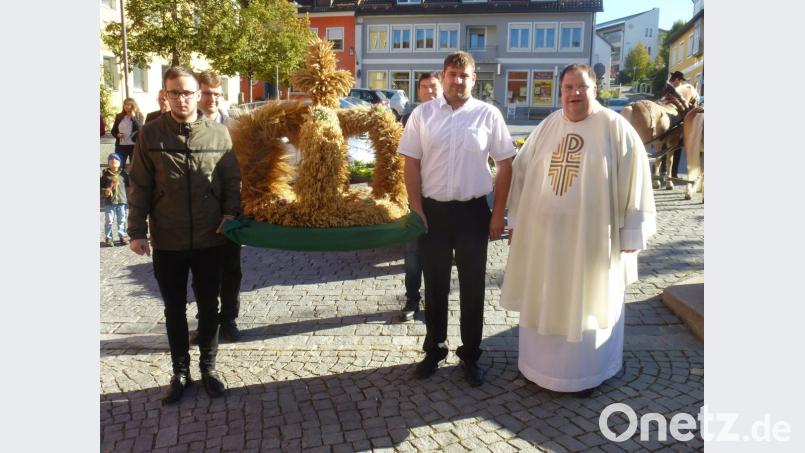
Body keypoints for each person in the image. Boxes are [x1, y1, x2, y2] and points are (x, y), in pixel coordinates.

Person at [501, 64, 656, 397]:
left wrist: (631, 234)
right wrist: (515, 221)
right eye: (568, 87)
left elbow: (636, 180)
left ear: (595, 89)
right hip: (545, 241)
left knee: (587, 300)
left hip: (592, 243)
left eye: (581, 87)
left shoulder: (615, 129)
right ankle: (540, 368)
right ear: (560, 91)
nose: (574, 94)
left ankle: (587, 373)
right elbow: (522, 172)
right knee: (545, 297)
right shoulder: (546, 127)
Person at [398, 51, 515, 387]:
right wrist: (415, 207)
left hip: (472, 213)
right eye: (452, 74)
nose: (457, 80)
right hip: (432, 213)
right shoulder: (423, 114)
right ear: (443, 76)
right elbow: (411, 163)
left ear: (474, 79)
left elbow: (506, 164)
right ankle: (434, 348)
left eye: (464, 75)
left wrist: (499, 211)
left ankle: (471, 354)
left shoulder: (488, 115)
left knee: (473, 287)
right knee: (433, 284)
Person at [127, 66, 242, 404]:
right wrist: (136, 231)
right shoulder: (150, 135)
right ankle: (180, 372)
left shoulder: (219, 135)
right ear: (165, 95)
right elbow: (140, 186)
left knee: (210, 306)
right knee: (174, 309)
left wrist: (230, 215)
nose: (181, 99)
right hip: (168, 238)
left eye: (187, 93)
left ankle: (209, 368)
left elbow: (232, 181)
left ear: (198, 95)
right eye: (174, 92)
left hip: (211, 238)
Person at [189, 69, 242, 342]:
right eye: (207, 94)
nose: (212, 99)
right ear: (199, 94)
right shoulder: (186, 125)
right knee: (202, 274)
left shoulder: (234, 126)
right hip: (199, 212)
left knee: (231, 271)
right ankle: (206, 322)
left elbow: (241, 170)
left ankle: (229, 320)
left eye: (217, 94)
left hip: (230, 210)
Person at [399, 71, 442, 322]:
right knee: (413, 254)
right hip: (415, 195)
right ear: (418, 91)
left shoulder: (451, 117)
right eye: (424, 87)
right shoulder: (409, 118)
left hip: (442, 198)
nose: (429, 91)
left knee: (440, 256)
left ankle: (437, 300)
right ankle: (412, 299)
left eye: (433, 86)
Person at [100, 153, 129, 247]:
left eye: (116, 160)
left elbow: (130, 186)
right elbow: (100, 187)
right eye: (111, 160)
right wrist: (105, 191)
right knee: (109, 220)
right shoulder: (105, 175)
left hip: (122, 201)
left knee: (122, 220)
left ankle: (122, 235)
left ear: (120, 163)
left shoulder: (124, 174)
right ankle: (108, 238)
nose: (113, 161)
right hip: (110, 202)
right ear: (108, 163)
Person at [110, 98, 143, 170]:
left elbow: (140, 129)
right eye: (125, 104)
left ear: (133, 105)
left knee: (135, 168)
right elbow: (113, 131)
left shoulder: (139, 116)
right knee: (119, 167)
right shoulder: (119, 116)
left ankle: (133, 181)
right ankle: (120, 181)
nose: (126, 106)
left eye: (129, 104)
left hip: (134, 146)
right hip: (121, 146)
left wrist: (133, 117)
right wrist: (117, 135)